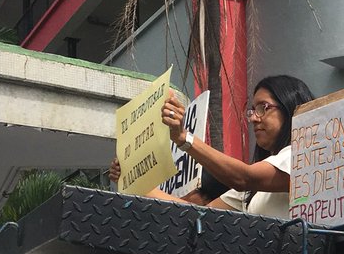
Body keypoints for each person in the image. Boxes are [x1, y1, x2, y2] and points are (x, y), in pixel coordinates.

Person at [111, 76, 315, 216]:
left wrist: (184, 138)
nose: (254, 118)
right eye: (252, 110)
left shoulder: (302, 157)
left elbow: (245, 177)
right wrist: (134, 181)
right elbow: (200, 215)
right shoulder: (250, 192)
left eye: (264, 108)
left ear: (291, 109)